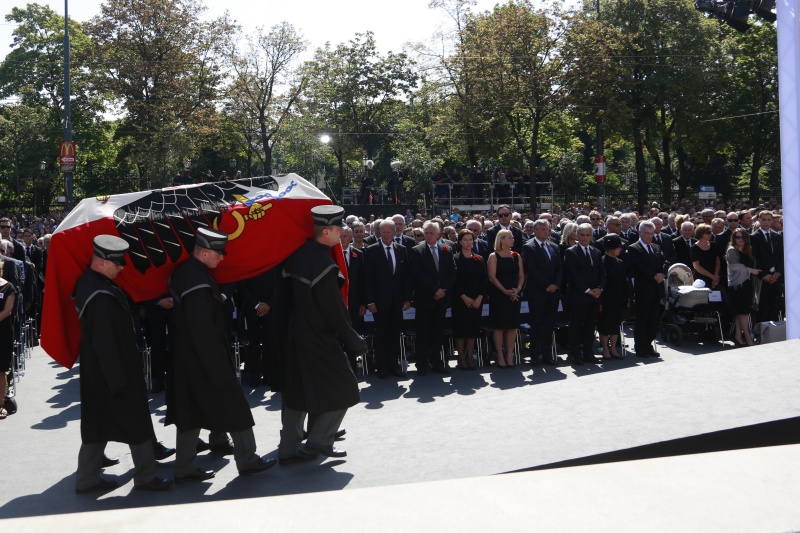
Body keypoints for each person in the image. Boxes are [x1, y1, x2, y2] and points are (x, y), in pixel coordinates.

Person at [167, 227, 275, 481]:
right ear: (204, 253)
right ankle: (247, 459)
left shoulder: (186, 273)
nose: (222, 258)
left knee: (190, 412)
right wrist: (219, 366)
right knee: (236, 408)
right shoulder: (198, 282)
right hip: (206, 358)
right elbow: (202, 328)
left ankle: (184, 466)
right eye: (218, 253)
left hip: (187, 358)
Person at [73, 235, 172, 494]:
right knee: (135, 419)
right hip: (115, 369)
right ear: (101, 262)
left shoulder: (90, 283)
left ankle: (87, 479)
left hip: (99, 370)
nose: (122, 267)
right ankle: (146, 476)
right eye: (117, 263)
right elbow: (105, 341)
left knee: (96, 423)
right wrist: (119, 381)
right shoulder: (100, 293)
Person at [277, 205, 367, 462]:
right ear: (326, 231)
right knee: (346, 387)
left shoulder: (298, 256)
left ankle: (289, 448)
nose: (342, 232)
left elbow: (283, 297)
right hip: (318, 335)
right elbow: (334, 309)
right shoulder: (323, 263)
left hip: (296, 331)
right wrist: (353, 339)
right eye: (338, 228)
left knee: (297, 392)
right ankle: (319, 441)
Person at [364, 220, 413, 378]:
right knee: (380, 334)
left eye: (388, 232)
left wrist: (407, 298)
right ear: (379, 233)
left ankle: (394, 365)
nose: (385, 235)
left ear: (394, 232)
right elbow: (368, 279)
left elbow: (406, 276)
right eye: (383, 232)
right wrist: (370, 301)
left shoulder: (402, 249)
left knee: (395, 334)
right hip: (379, 302)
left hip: (397, 301)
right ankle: (381, 367)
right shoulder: (371, 250)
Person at [409, 221, 458, 375]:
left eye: (432, 233)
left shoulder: (446, 249)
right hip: (425, 298)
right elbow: (417, 274)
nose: (429, 235)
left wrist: (443, 290)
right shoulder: (417, 250)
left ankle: (437, 362)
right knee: (423, 333)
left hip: (442, 298)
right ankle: (422, 364)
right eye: (427, 233)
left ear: (438, 234)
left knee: (438, 332)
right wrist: (434, 290)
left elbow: (452, 271)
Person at [563, 224, 606, 365]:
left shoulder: (596, 252)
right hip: (578, 296)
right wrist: (588, 290)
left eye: (588, 235)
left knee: (590, 326)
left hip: (595, 296)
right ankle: (576, 355)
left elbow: (602, 273)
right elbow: (574, 275)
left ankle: (589, 353)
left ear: (591, 236)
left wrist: (599, 288)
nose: (585, 238)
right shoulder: (571, 252)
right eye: (582, 235)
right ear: (577, 235)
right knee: (576, 326)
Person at [521, 220, 562, 366]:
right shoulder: (529, 247)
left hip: (553, 293)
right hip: (537, 292)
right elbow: (532, 270)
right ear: (536, 231)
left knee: (549, 325)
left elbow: (559, 268)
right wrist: (547, 285)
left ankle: (547, 355)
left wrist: (556, 284)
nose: (546, 231)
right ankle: (534, 355)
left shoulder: (554, 246)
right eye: (543, 229)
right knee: (536, 325)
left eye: (548, 229)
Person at [628, 221, 667, 358]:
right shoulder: (634, 248)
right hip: (643, 290)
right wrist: (654, 276)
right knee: (642, 319)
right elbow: (639, 267)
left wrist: (662, 273)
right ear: (640, 232)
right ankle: (640, 347)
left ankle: (649, 345)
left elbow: (665, 261)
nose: (649, 236)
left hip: (656, 289)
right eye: (646, 233)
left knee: (653, 320)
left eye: (651, 234)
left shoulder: (656, 247)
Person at [487, 229, 524, 368]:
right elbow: (492, 277)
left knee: (512, 326)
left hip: (514, 295)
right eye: (509, 237)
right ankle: (500, 355)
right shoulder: (494, 256)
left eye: (512, 237)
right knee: (499, 326)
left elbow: (521, 275)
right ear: (501, 240)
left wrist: (518, 289)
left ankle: (509, 354)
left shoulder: (516, 256)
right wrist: (504, 291)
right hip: (499, 295)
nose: (512, 240)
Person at [452, 229, 487, 370]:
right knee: (461, 330)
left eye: (470, 240)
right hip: (460, 300)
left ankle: (470, 356)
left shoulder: (479, 259)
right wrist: (464, 297)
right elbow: (454, 281)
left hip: (476, 300)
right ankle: (461, 357)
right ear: (460, 242)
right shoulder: (454, 258)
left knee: (473, 329)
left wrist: (479, 297)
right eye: (465, 239)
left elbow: (484, 280)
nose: (468, 242)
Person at [727, 228, 760, 346]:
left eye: (743, 237)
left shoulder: (747, 251)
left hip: (747, 284)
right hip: (738, 285)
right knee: (743, 312)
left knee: (740, 311)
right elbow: (734, 266)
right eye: (738, 237)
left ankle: (737, 335)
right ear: (734, 239)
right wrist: (751, 270)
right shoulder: (732, 251)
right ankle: (747, 337)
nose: (741, 239)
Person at [597, 234, 628, 360]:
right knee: (605, 325)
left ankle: (613, 348)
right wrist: (599, 301)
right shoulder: (602, 262)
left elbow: (623, 281)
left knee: (616, 324)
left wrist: (627, 297)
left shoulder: (620, 262)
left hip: (618, 297)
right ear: (610, 249)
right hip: (606, 298)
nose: (620, 249)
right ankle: (605, 349)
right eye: (617, 247)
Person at [750, 210, 784, 322]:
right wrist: (763, 275)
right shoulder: (753, 237)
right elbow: (755, 258)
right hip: (762, 279)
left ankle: (774, 335)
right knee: (762, 308)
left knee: (775, 307)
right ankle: (762, 335)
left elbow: (781, 257)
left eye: (769, 220)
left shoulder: (777, 236)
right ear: (759, 220)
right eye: (763, 219)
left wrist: (778, 273)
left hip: (776, 277)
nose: (766, 222)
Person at [0, 261, 15, 421]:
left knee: (1, 370)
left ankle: (1, 404)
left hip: (2, 333)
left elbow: (7, 311)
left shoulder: (8, 287)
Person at [691, 224, 720, 289]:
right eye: (708, 233)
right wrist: (712, 277)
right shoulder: (694, 248)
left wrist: (715, 276)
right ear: (701, 233)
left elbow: (717, 262)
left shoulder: (713, 245)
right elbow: (697, 266)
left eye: (711, 232)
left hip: (714, 277)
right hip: (701, 280)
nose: (710, 234)